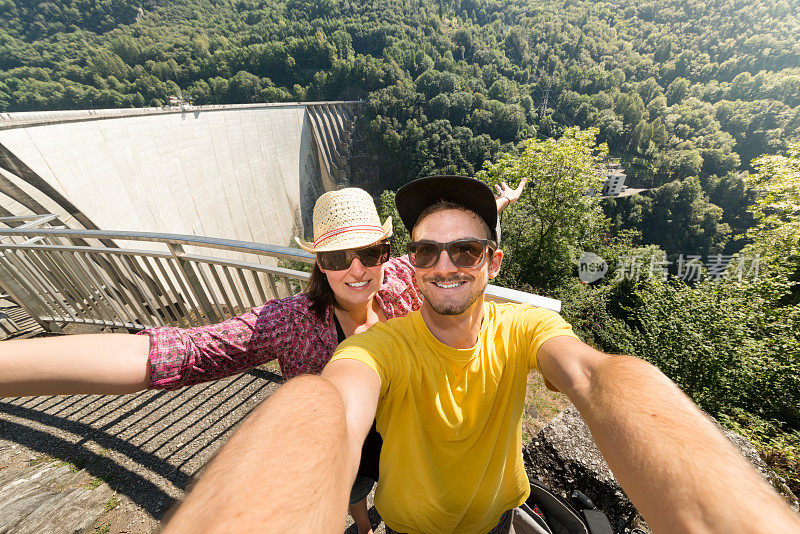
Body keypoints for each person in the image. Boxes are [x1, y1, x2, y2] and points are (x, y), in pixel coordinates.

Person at [162, 175, 800, 534]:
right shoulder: (356, 333)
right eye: (336, 258)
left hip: (477, 506)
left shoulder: (505, 322)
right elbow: (326, 398)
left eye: (465, 252)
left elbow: (596, 376)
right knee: (350, 473)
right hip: (372, 461)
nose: (356, 269)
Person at [0, 180, 527, 534]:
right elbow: (180, 353)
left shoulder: (407, 284)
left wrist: (496, 207)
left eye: (371, 252)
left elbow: (454, 251)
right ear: (317, 263)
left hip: (407, 429)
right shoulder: (288, 322)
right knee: (354, 488)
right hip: (342, 434)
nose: (358, 270)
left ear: (389, 254)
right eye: (338, 257)